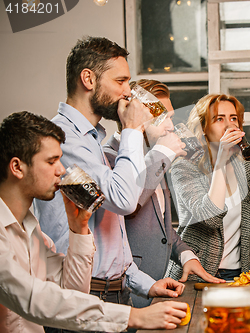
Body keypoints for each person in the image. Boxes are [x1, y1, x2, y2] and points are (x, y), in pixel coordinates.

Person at [33, 37, 186, 309]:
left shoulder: (92, 139)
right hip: (80, 295)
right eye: (120, 82)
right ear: (88, 79)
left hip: (113, 291)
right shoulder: (62, 139)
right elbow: (124, 201)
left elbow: (108, 230)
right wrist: (131, 129)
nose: (128, 92)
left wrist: (144, 283)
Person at [0, 111, 188, 333]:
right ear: (17, 167)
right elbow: (34, 298)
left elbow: (73, 291)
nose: (61, 170)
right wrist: (133, 316)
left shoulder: (34, 233)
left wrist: (79, 229)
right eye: (51, 161)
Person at [103, 79, 224, 307]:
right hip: (124, 293)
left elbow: (162, 227)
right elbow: (129, 204)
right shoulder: (109, 158)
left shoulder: (156, 158)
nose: (170, 126)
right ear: (135, 116)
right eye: (163, 118)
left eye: (170, 117)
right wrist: (163, 153)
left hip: (156, 287)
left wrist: (186, 256)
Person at [166, 94, 250, 281]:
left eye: (233, 118)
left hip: (239, 276)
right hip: (193, 277)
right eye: (219, 119)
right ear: (204, 128)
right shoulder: (184, 167)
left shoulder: (248, 169)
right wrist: (221, 158)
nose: (229, 125)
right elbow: (210, 218)